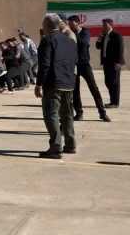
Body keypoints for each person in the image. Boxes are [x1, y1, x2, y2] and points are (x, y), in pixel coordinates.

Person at [35, 14, 78, 159]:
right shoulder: (70, 41)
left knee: (51, 115)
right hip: (69, 83)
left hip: (53, 83)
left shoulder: (47, 40)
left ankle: (55, 147)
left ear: (47, 25)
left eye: (43, 24)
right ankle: (70, 144)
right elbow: (73, 62)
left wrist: (39, 84)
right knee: (67, 115)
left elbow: (44, 64)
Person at [67, 16, 109, 122]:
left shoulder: (85, 32)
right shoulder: (69, 33)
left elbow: (83, 43)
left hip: (84, 65)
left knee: (94, 88)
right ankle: (79, 113)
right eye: (69, 24)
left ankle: (102, 113)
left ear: (77, 22)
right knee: (75, 91)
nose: (70, 26)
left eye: (71, 23)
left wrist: (74, 34)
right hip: (74, 65)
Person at [95, 18, 125, 108]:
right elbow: (98, 47)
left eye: (105, 25)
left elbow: (120, 50)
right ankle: (112, 101)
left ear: (110, 25)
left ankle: (115, 103)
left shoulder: (117, 35)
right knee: (108, 82)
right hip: (106, 63)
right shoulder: (104, 35)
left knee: (115, 83)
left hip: (114, 63)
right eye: (103, 25)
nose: (103, 26)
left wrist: (118, 62)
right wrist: (99, 39)